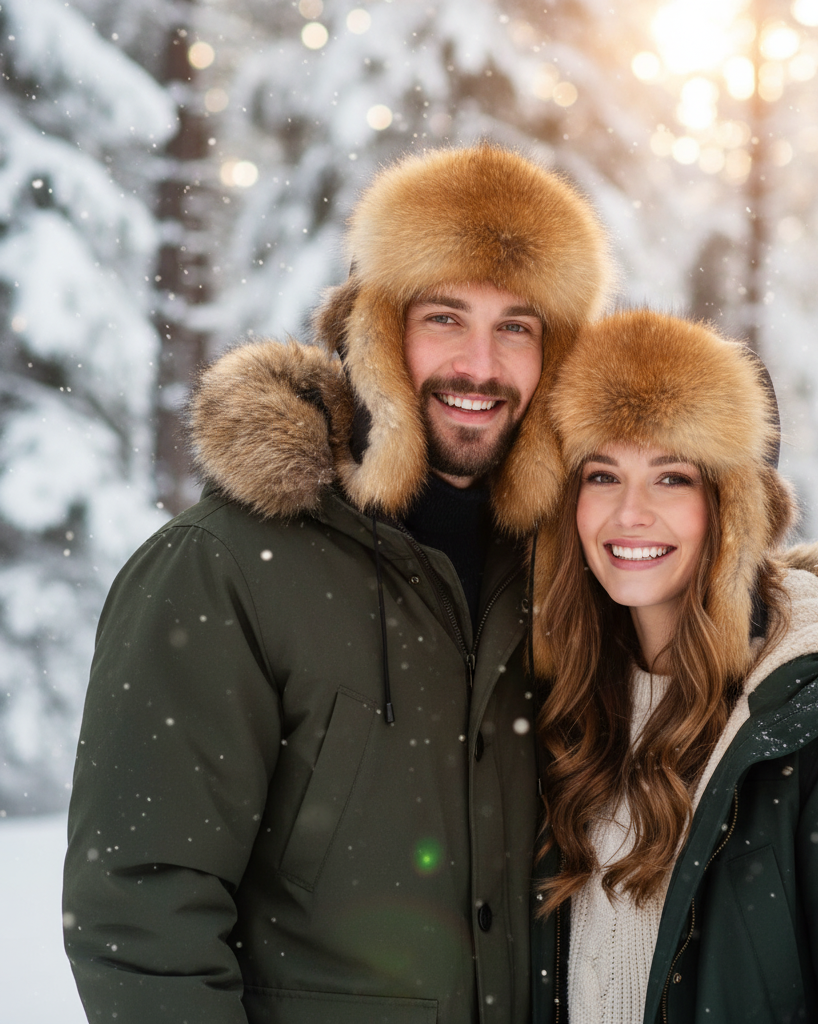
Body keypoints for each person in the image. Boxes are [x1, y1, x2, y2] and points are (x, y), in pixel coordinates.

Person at [62, 145, 612, 1024]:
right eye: (444, 317)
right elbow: (143, 908)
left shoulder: (567, 568)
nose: (480, 364)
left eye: (517, 326)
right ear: (376, 331)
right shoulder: (226, 565)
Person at [524, 310, 818, 1024]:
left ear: (730, 507)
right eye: (603, 474)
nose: (628, 514)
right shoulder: (559, 695)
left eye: (671, 478)